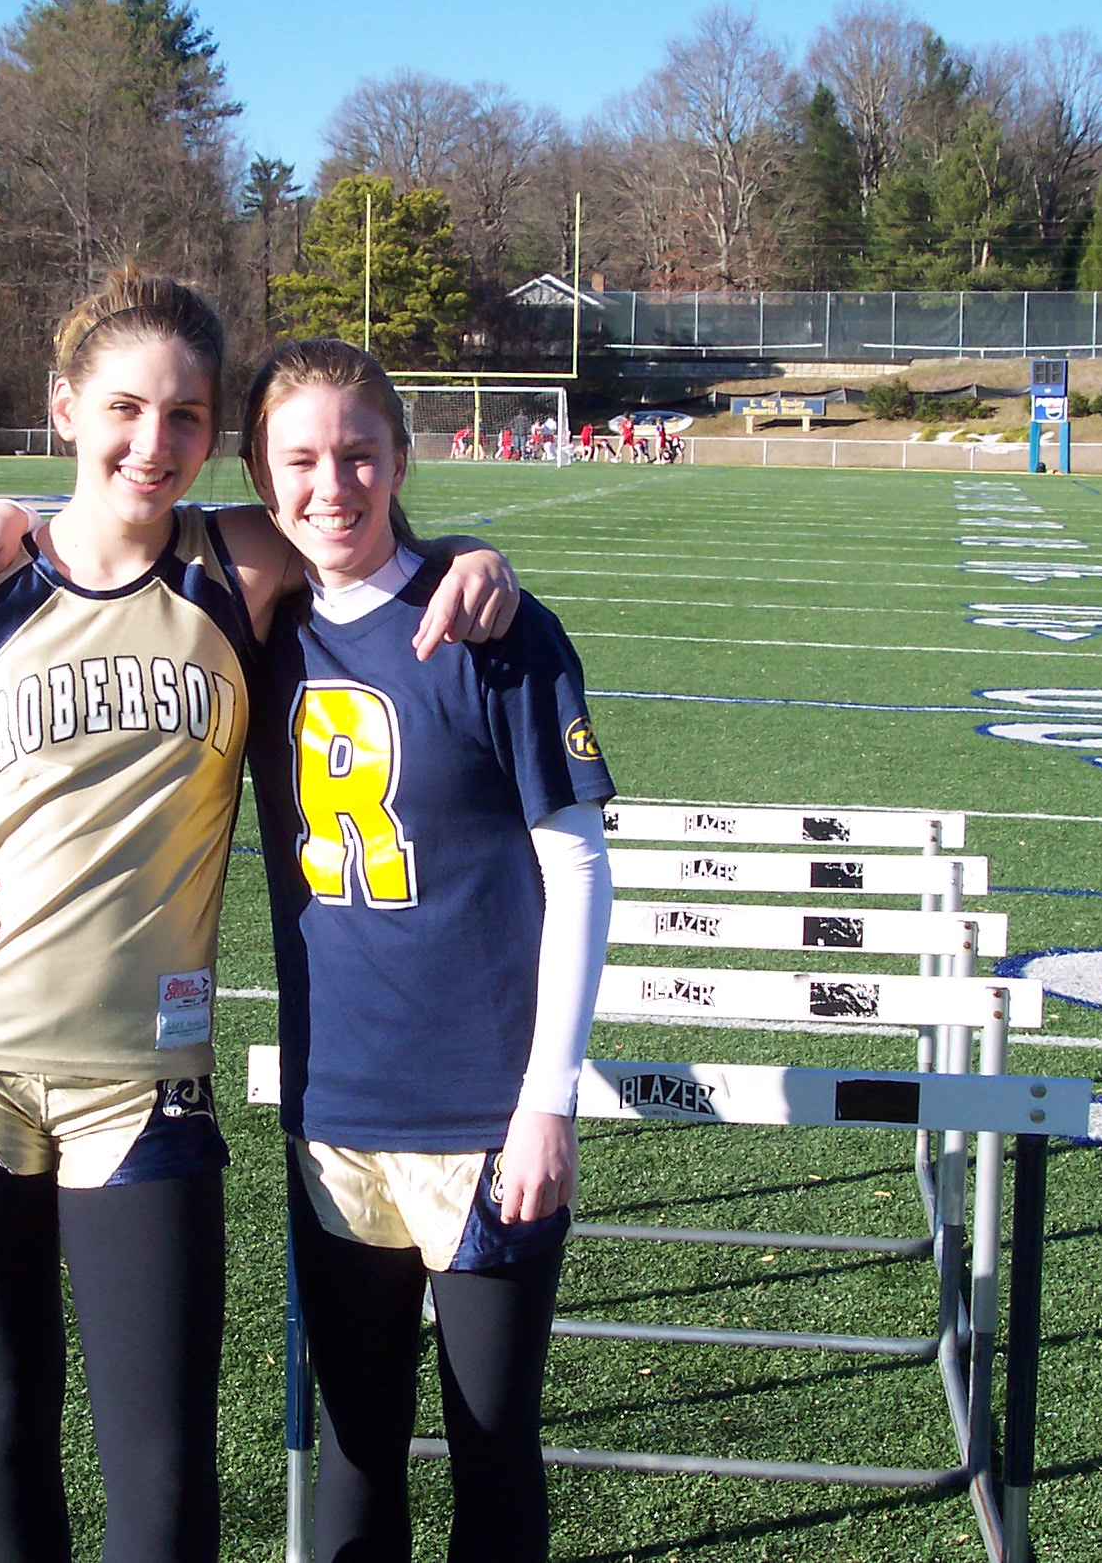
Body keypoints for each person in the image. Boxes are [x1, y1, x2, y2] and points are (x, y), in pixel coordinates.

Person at [0, 270, 518, 1563]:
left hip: (142, 1085)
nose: (151, 442)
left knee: (165, 1485)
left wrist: (473, 559)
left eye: (184, 417)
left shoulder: (237, 565)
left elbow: (366, 535)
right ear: (66, 408)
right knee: (2, 1427)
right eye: (124, 408)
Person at [237, 339, 615, 1563]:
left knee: (493, 1452)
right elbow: (119, 526)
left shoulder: (494, 627)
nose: (331, 486)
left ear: (403, 458)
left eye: (359, 454)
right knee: (355, 1453)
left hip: (482, 1122)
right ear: (260, 477)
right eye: (299, 460)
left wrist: (548, 1102)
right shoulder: (258, 632)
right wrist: (0, 520)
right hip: (335, 1113)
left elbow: (579, 869)